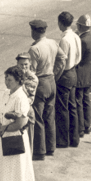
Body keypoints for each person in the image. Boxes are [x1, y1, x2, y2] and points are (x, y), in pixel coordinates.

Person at [27, 19, 63, 161]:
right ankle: (50, 147)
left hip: (40, 83)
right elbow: (62, 58)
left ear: (35, 31)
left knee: (38, 117)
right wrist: (56, 74)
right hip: (51, 80)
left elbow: (31, 72)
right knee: (49, 116)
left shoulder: (34, 49)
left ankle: (39, 150)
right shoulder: (53, 43)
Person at [54, 12, 81, 149]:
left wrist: (56, 77)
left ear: (60, 23)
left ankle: (63, 140)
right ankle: (74, 138)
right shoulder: (75, 36)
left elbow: (61, 62)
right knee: (72, 107)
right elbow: (78, 56)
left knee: (62, 109)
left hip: (65, 75)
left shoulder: (64, 40)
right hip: (74, 72)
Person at [73, 14, 91, 137]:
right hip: (89, 75)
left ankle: (80, 128)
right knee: (86, 100)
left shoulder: (81, 40)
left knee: (79, 101)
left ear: (80, 26)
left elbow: (77, 59)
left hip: (80, 75)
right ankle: (87, 125)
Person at [13, 53, 39, 150]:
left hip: (26, 113)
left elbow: (27, 97)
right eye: (21, 64)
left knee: (27, 145)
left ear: (30, 64)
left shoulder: (32, 78)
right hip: (16, 112)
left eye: (26, 64)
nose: (23, 67)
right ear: (17, 64)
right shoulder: (16, 75)